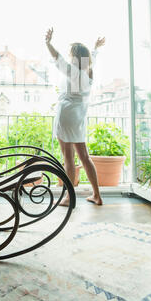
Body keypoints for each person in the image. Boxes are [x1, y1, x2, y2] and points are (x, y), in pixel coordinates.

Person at [45, 28, 105, 206]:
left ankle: (69, 197)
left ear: (75, 58)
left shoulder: (73, 72)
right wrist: (95, 48)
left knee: (68, 159)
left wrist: (48, 43)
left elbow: (58, 58)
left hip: (67, 115)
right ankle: (97, 195)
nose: (69, 56)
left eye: (71, 54)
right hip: (79, 118)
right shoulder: (88, 73)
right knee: (85, 157)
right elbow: (91, 58)